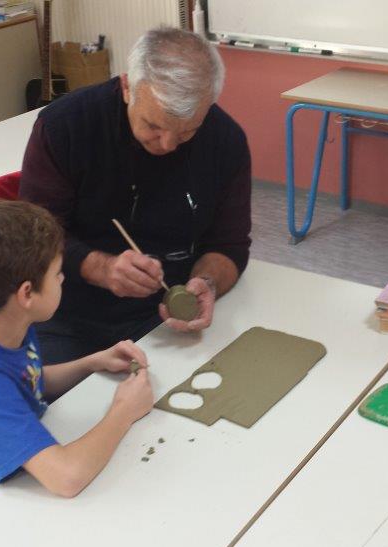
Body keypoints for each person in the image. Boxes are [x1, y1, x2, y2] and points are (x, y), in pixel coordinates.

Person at [18, 26, 252, 364]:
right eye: (153, 126)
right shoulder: (66, 126)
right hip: (67, 309)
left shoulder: (225, 140)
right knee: (52, 394)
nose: (168, 145)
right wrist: (100, 267)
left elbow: (229, 245)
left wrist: (207, 283)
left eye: (187, 132)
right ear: (127, 87)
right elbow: (33, 237)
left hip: (165, 315)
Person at [0, 200, 153, 496]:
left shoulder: (2, 322)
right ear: (27, 293)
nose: (63, 278)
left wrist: (92, 362)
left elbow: (29, 378)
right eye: (57, 273)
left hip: (19, 469)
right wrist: (124, 410)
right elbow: (67, 478)